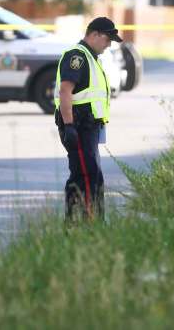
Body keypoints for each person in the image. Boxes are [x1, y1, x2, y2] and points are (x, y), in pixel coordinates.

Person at [54, 17, 122, 221]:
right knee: (87, 175)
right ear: (94, 35)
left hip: (88, 127)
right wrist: (69, 126)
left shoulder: (91, 58)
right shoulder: (78, 56)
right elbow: (65, 91)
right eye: (107, 39)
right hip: (78, 126)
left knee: (87, 175)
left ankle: (79, 222)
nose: (109, 44)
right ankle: (89, 224)